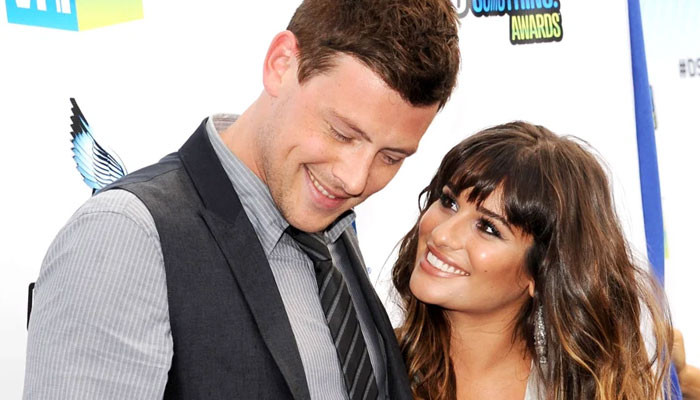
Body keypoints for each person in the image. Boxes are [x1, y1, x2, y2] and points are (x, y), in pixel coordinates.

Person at [23, 1, 460, 399]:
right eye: (342, 133)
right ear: (281, 64)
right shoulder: (127, 234)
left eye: (391, 157)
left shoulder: (329, 226)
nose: (355, 179)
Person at [392, 122, 673, 399]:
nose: (441, 234)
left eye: (488, 228)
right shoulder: (374, 365)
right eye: (449, 202)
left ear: (540, 273)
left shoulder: (577, 393)